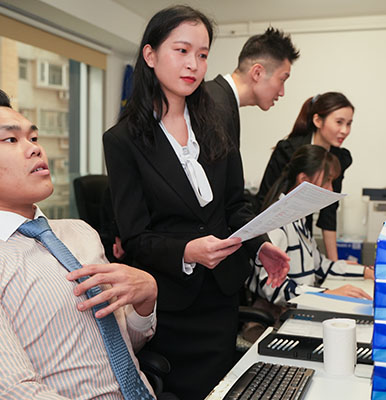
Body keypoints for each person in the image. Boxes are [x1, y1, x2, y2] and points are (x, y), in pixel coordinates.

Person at [103, 6, 290, 400]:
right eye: (182, 51)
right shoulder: (123, 140)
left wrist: (260, 245)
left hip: (221, 297)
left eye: (202, 55)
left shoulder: (216, 122)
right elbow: (135, 237)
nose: (193, 64)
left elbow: (235, 205)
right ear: (150, 55)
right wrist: (187, 251)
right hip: (172, 305)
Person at [0, 85, 159, 399]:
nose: (35, 149)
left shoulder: (80, 233)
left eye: (33, 138)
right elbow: (11, 392)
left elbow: (122, 347)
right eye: (11, 139)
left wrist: (145, 300)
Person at [248, 144, 373, 307]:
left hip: (300, 305)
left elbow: (321, 266)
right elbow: (272, 287)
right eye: (327, 180)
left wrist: (365, 272)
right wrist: (324, 294)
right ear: (304, 181)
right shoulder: (277, 223)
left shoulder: (298, 219)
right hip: (279, 314)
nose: (330, 189)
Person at [256, 92, 355, 260]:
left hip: (304, 229)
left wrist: (334, 262)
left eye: (349, 124)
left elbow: (329, 210)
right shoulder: (288, 150)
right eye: (339, 122)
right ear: (318, 121)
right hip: (274, 230)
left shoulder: (339, 158)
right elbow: (265, 199)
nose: (345, 131)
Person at [206, 27, 300, 148]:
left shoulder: (223, 101)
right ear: (257, 73)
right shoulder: (213, 105)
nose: (282, 92)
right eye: (282, 80)